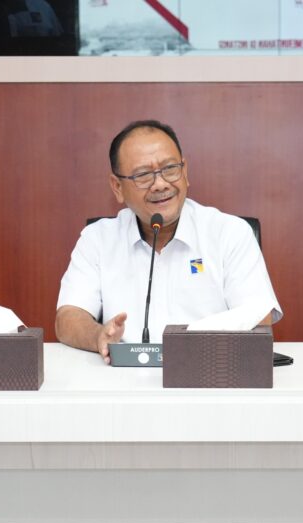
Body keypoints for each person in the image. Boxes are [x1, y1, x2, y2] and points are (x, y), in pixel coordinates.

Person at [56, 119, 282, 362]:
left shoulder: (229, 233)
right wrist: (98, 336)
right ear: (117, 187)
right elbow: (68, 318)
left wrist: (193, 345)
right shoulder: (98, 239)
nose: (160, 184)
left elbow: (259, 317)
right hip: (122, 375)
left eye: (170, 169)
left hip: (208, 373)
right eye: (143, 175)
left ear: (185, 172)